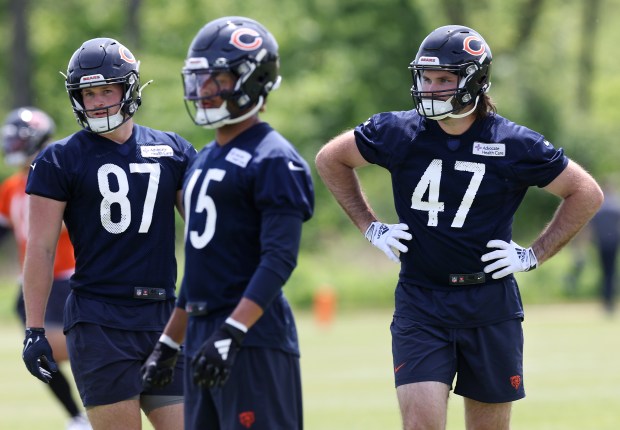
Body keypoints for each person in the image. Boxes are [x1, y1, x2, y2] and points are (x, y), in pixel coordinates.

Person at [315, 25, 603, 430]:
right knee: (422, 425)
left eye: (444, 80)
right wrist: (370, 226)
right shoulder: (398, 131)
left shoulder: (513, 142)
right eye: (426, 78)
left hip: (489, 302)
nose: (430, 89)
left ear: (475, 82)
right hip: (421, 298)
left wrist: (533, 254)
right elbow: (331, 159)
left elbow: (585, 192)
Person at [140, 16, 314, 429]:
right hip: (203, 333)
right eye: (200, 79)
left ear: (252, 81)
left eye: (215, 79)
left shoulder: (274, 158)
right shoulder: (203, 158)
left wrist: (233, 332)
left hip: (252, 337)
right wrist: (169, 343)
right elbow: (201, 268)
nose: (203, 90)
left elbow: (279, 259)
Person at [20, 37, 196, 429]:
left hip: (164, 316)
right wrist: (34, 329)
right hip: (100, 322)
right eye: (89, 92)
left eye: (106, 90)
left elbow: (203, 235)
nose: (97, 101)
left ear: (129, 88)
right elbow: (42, 248)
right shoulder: (59, 159)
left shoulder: (173, 150)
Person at [1, 107, 91, 430]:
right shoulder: (12, 186)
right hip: (35, 280)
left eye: (18, 141)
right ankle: (78, 417)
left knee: (67, 348)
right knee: (38, 354)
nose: (13, 147)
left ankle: (119, 371)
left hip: (66, 275)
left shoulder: (60, 173)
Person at [589, 182, 620, 314]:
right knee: (612, 272)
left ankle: (606, 302)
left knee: (605, 273)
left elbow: (591, 227)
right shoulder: (615, 208)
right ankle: (611, 302)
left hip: (601, 243)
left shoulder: (598, 209)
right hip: (613, 243)